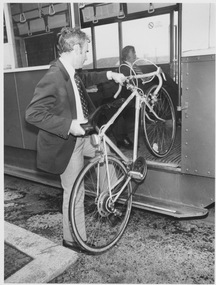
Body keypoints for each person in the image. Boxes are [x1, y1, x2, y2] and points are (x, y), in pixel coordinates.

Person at [25, 27, 126, 252]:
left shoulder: (70, 70)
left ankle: (106, 203)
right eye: (86, 51)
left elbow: (87, 77)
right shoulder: (53, 77)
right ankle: (73, 240)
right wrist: (69, 125)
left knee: (107, 154)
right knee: (74, 192)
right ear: (76, 48)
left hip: (83, 137)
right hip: (66, 143)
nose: (87, 56)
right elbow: (32, 114)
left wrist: (111, 75)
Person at [119, 45, 179, 121]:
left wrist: (149, 77)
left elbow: (141, 77)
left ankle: (178, 94)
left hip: (145, 84)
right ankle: (175, 114)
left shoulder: (133, 66)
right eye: (133, 53)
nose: (135, 55)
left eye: (135, 53)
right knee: (168, 88)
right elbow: (133, 83)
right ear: (126, 56)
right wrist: (149, 78)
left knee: (165, 80)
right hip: (141, 89)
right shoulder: (123, 68)